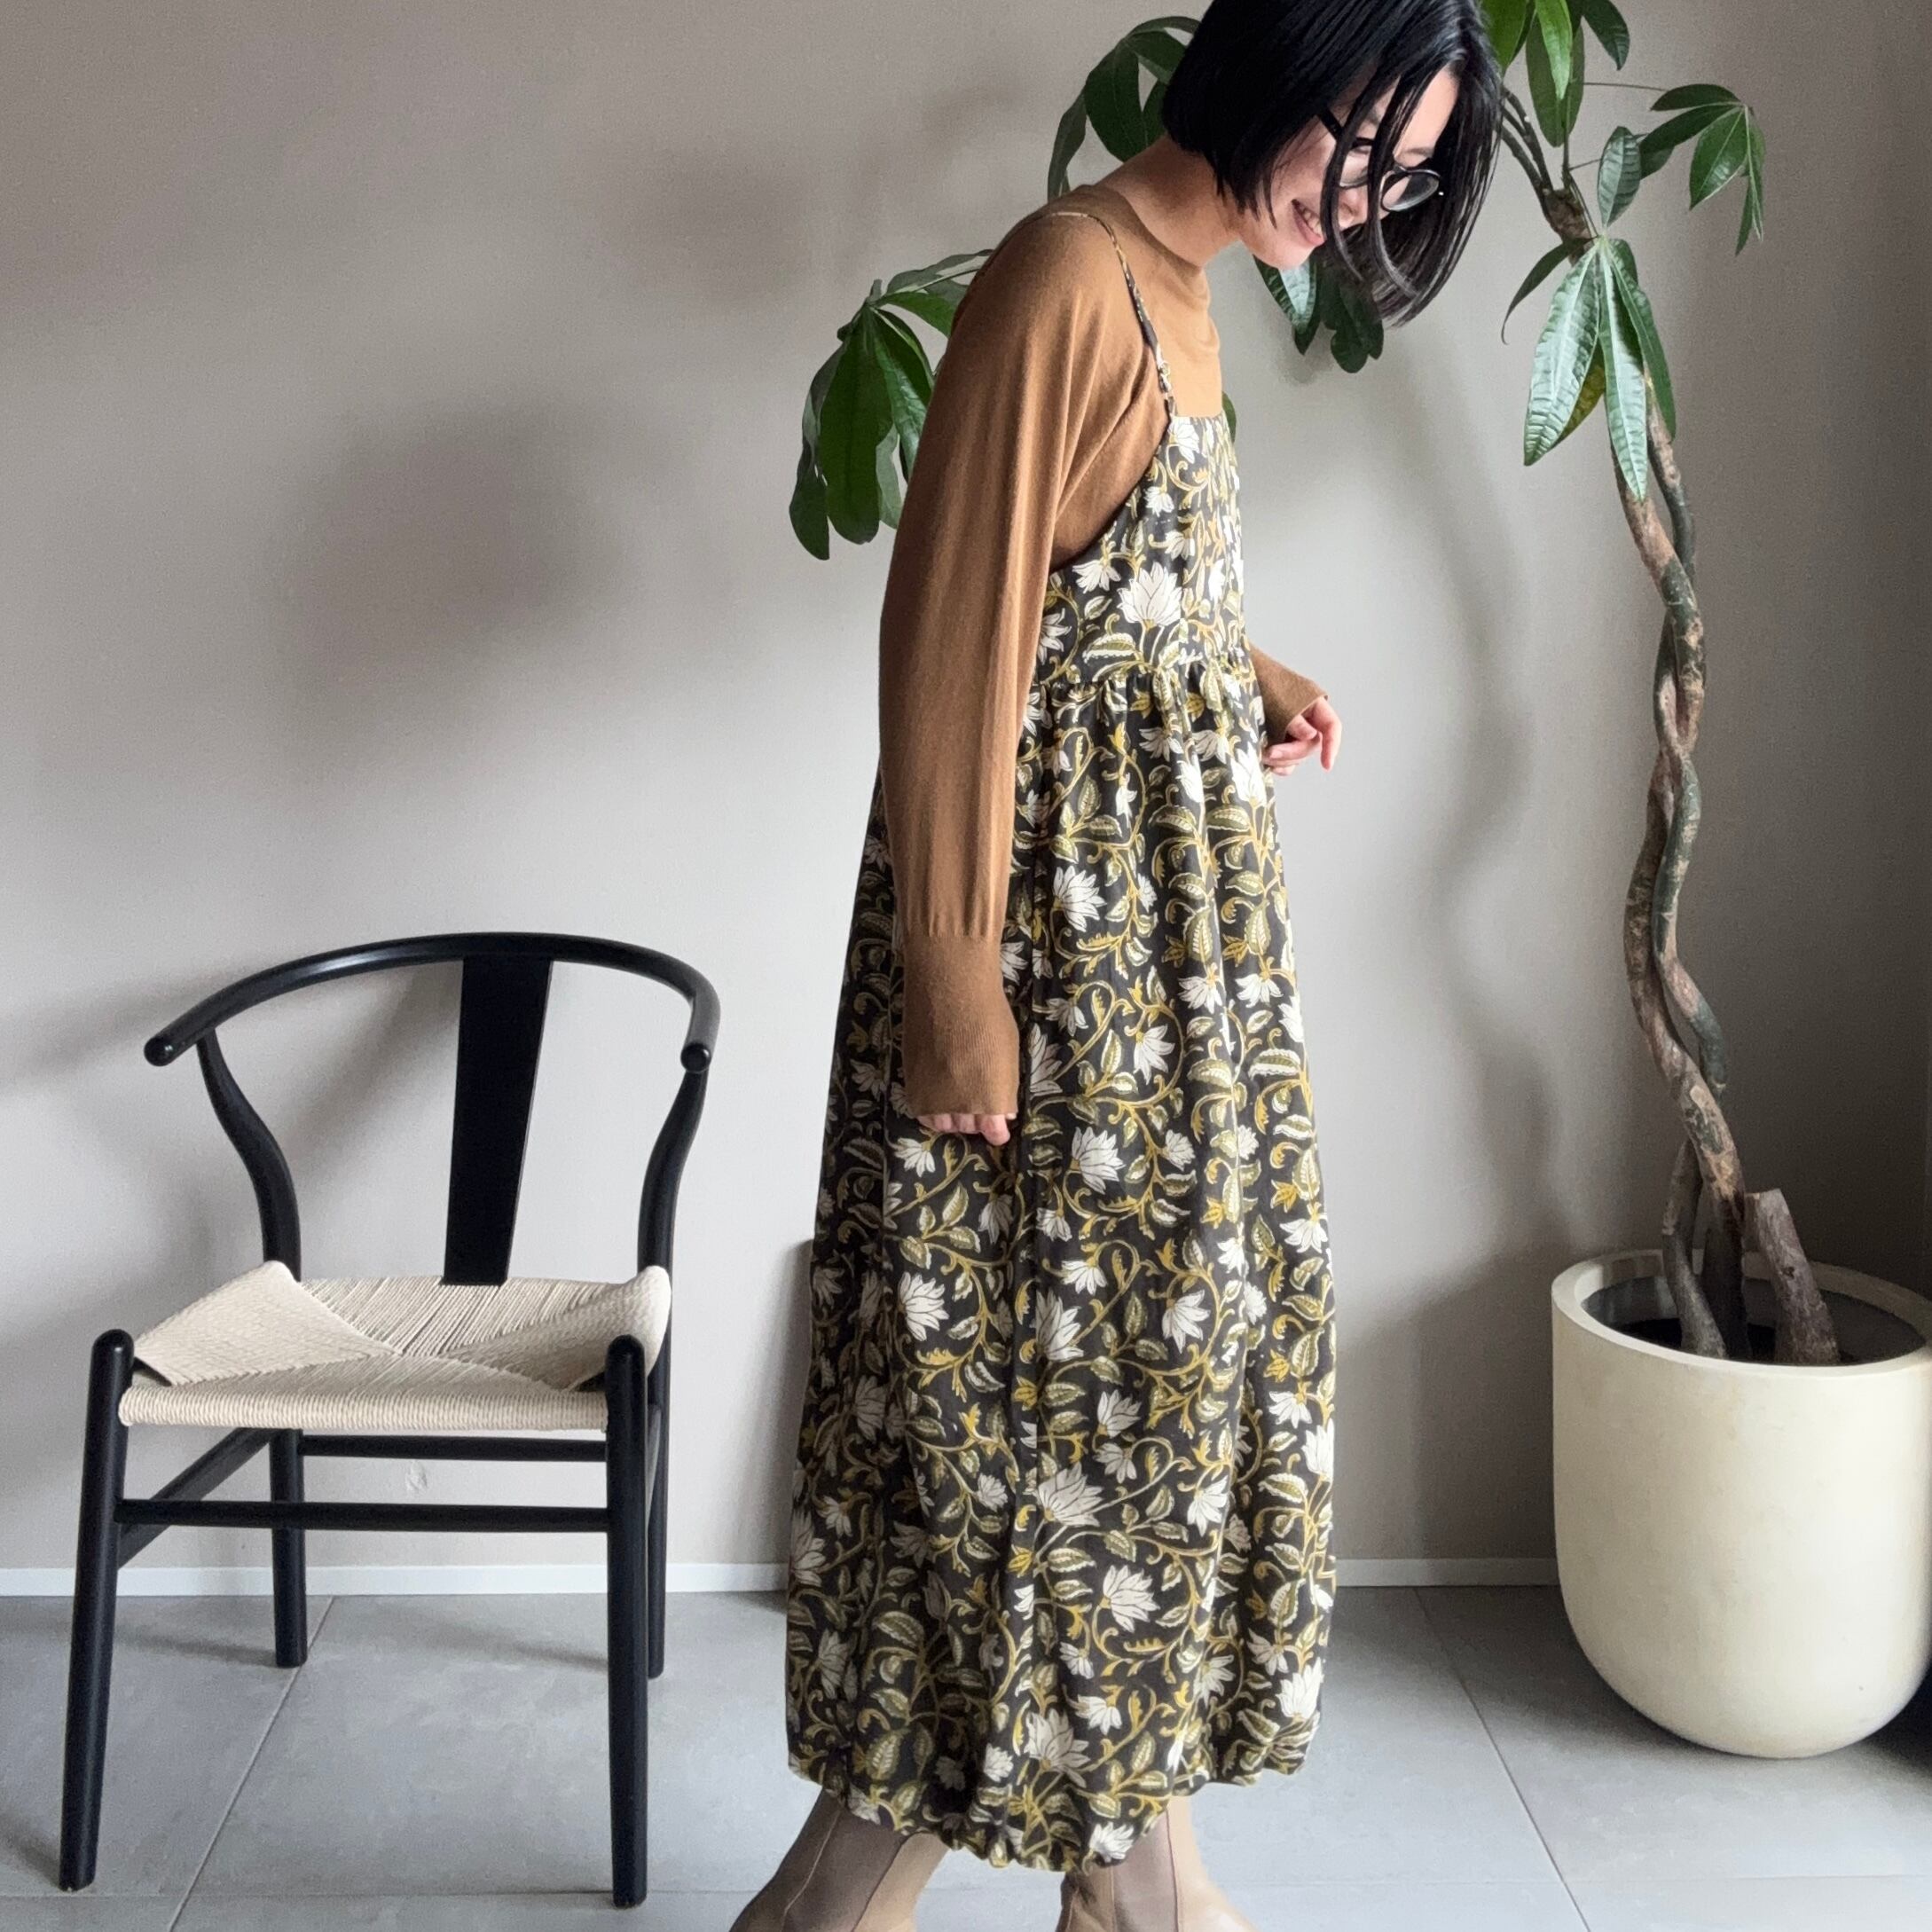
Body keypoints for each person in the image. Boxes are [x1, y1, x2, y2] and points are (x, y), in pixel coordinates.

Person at [741, 4, 1502, 1928]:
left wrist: (1247, 672)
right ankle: (1078, 1900)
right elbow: (953, 645)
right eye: (1368, 141)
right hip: (1050, 1000)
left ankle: (1129, 1888)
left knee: (1143, 1422)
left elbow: (1111, 596)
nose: (1371, 198)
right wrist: (951, 984)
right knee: (1021, 1445)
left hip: (1171, 996)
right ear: (1284, 63)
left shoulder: (1190, 287)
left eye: (1413, 174)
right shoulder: (1062, 280)